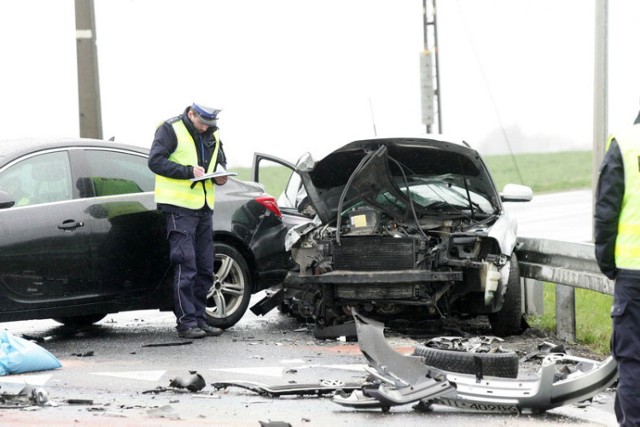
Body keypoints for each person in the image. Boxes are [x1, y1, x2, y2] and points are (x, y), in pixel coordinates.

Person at [148, 102, 229, 339]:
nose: (205, 128)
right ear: (191, 114)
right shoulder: (170, 129)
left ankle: (200, 319)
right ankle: (186, 323)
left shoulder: (213, 133)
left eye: (210, 124)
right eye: (202, 123)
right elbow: (155, 161)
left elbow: (220, 161)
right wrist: (186, 171)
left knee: (205, 267)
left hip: (204, 207)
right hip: (179, 208)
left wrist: (221, 175)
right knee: (186, 265)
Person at [594, 108, 640, 426]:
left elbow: (606, 211)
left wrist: (608, 263)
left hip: (633, 274)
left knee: (633, 359)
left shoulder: (625, 143)